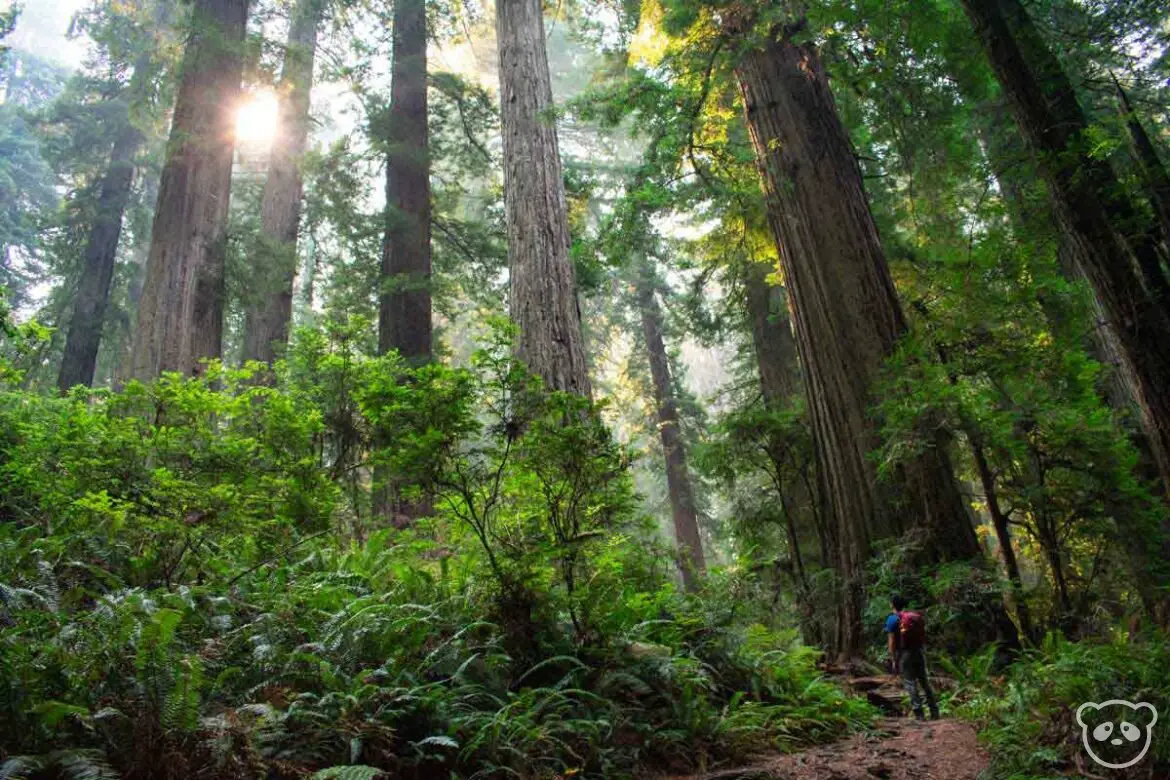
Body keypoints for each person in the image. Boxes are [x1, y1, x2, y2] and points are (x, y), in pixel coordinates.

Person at [885, 594, 939, 721]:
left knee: (910, 682)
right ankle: (934, 712)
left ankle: (919, 713)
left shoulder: (892, 619)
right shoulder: (913, 617)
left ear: (892, 605)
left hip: (905, 654)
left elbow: (892, 641)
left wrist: (893, 658)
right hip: (919, 651)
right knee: (924, 681)